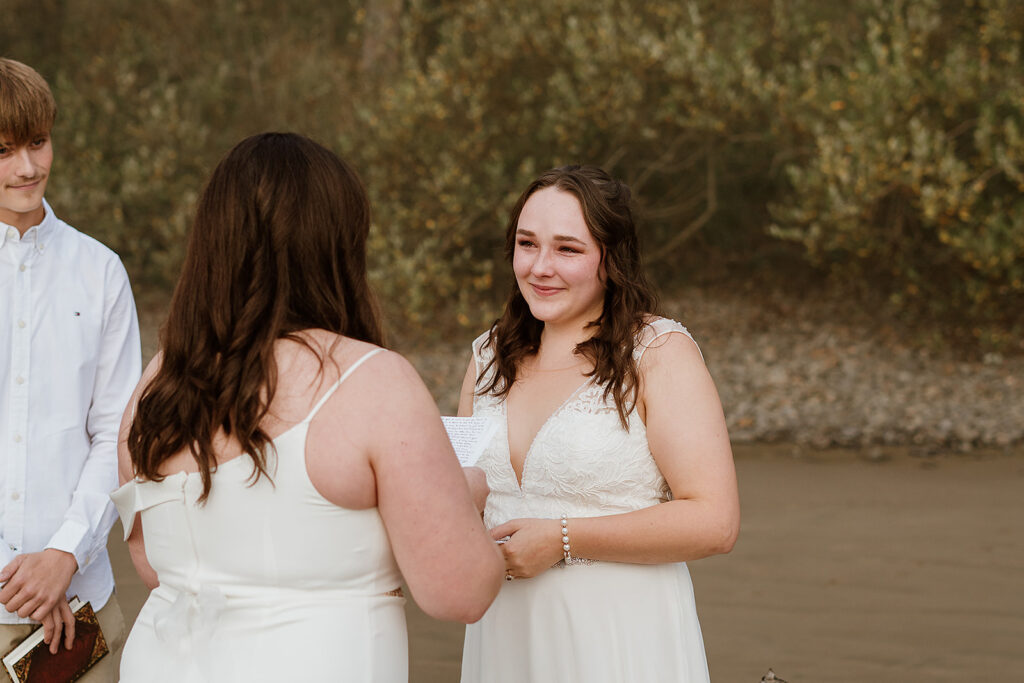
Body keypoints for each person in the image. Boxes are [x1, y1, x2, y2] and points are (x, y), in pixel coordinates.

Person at [111, 132, 504, 682]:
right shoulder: (373, 381)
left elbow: (154, 565)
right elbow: (458, 592)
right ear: (337, 244)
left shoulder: (160, 381)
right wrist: (464, 496)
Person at [459, 165, 740, 682]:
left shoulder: (658, 353)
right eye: (527, 243)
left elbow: (715, 522)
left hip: (620, 635)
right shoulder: (487, 356)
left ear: (610, 259)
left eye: (567, 249)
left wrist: (563, 538)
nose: (540, 267)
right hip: (505, 634)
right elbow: (463, 493)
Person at [0, 58, 139, 677]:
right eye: (2, 151)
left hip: (82, 605)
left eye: (36, 143)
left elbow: (116, 431)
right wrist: (17, 582)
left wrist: (62, 556)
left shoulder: (101, 271)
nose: (27, 168)